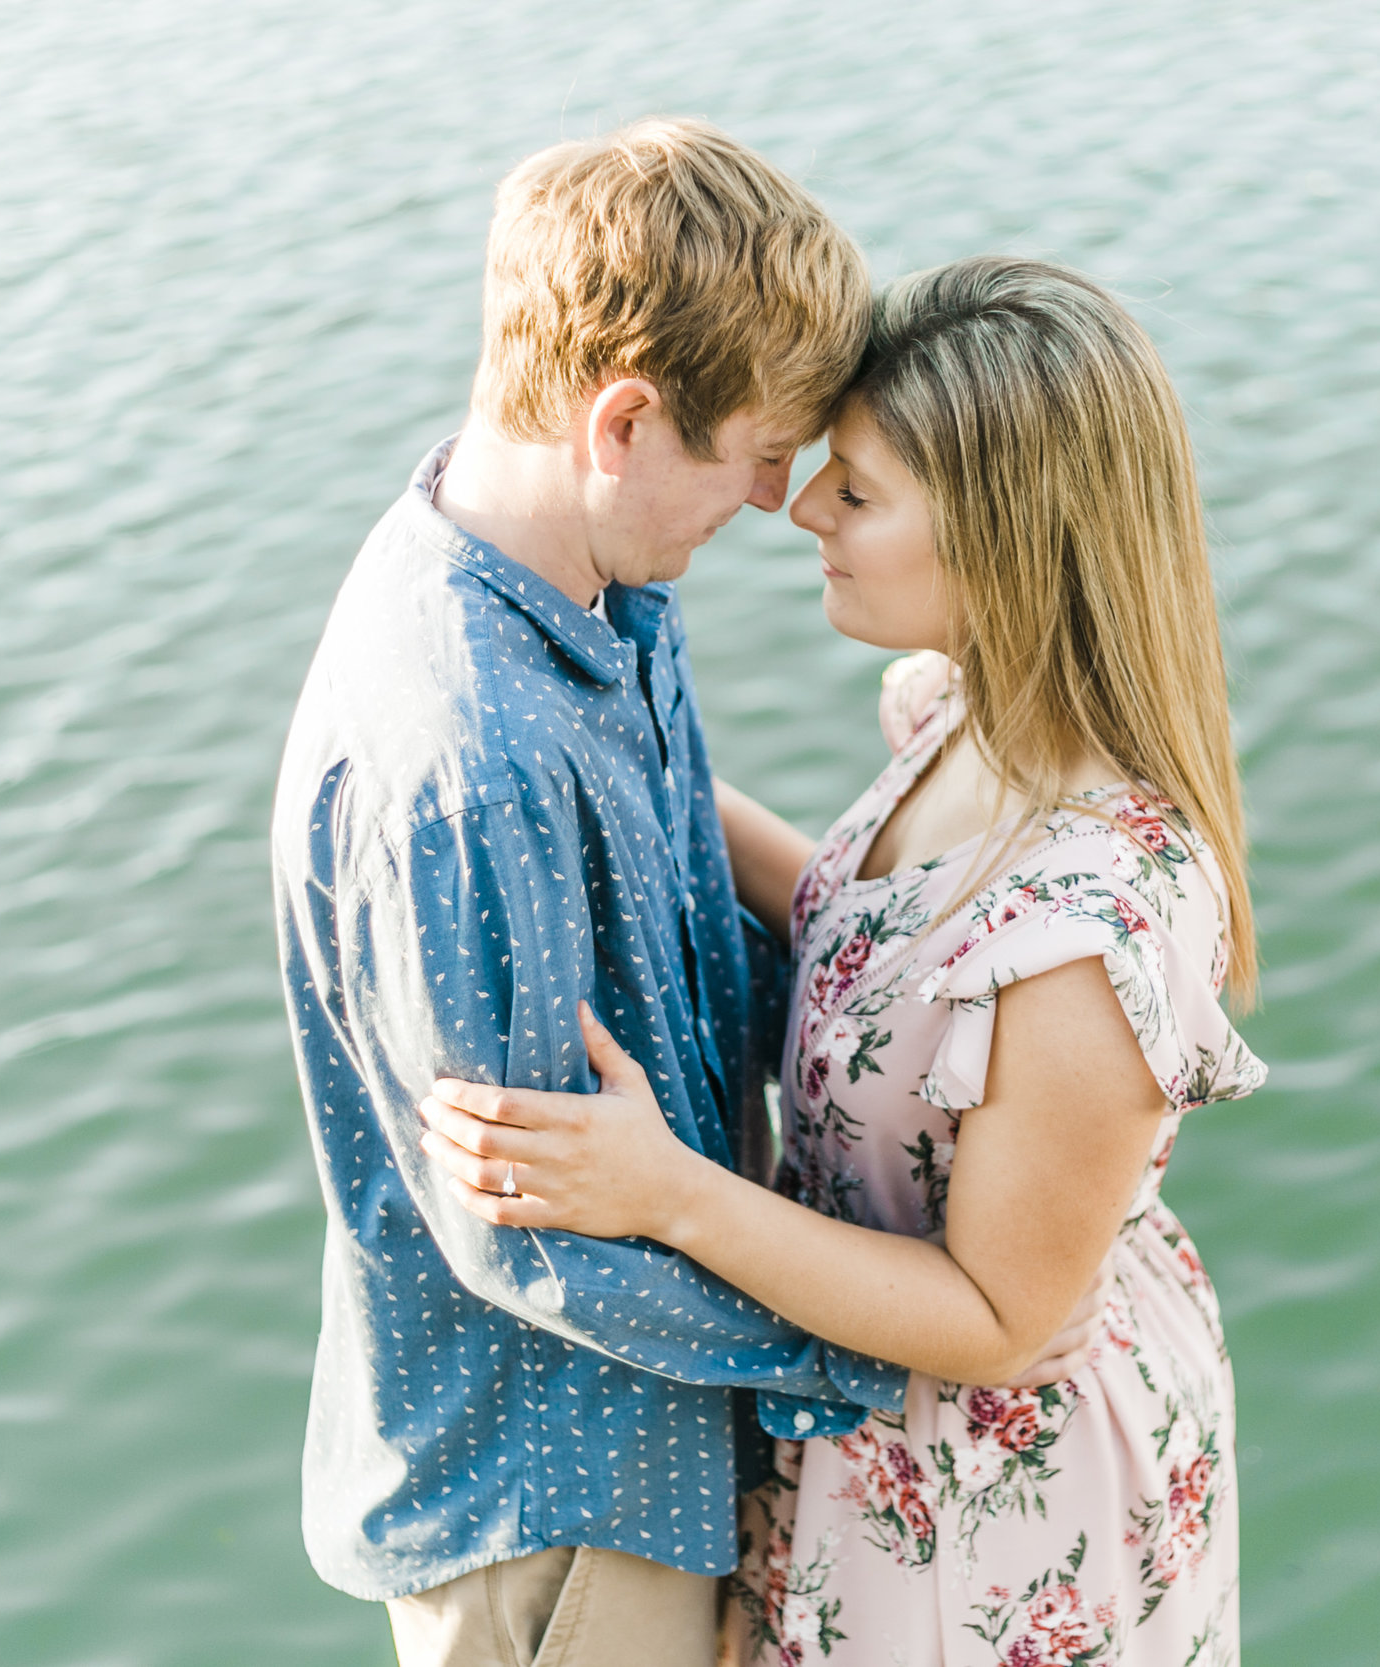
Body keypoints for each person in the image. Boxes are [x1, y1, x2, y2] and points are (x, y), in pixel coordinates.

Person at [270, 126, 1094, 1667]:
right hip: (559, 1507)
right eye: (761, 451)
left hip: (666, 1442)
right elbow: (532, 1236)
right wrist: (893, 1355)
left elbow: (682, 917)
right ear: (626, 421)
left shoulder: (603, 590)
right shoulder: (470, 763)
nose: (782, 499)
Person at [419, 256, 1266, 1666]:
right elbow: (866, 919)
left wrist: (665, 1192)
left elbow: (997, 1317)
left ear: (1004, 541)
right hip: (863, 1422)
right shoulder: (967, 712)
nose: (800, 506)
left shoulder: (1094, 939)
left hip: (995, 1495)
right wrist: (605, 774)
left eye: (856, 489)